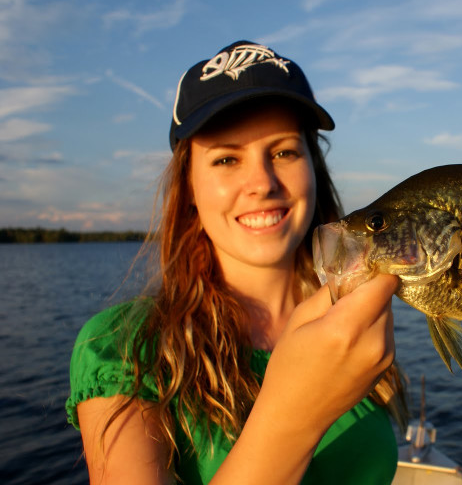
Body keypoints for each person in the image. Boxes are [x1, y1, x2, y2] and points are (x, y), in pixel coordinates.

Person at [66, 40, 407, 484]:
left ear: (314, 169)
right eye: (227, 158)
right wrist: (295, 416)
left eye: (284, 152)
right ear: (189, 187)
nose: (261, 183)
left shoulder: (356, 323)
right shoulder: (124, 349)